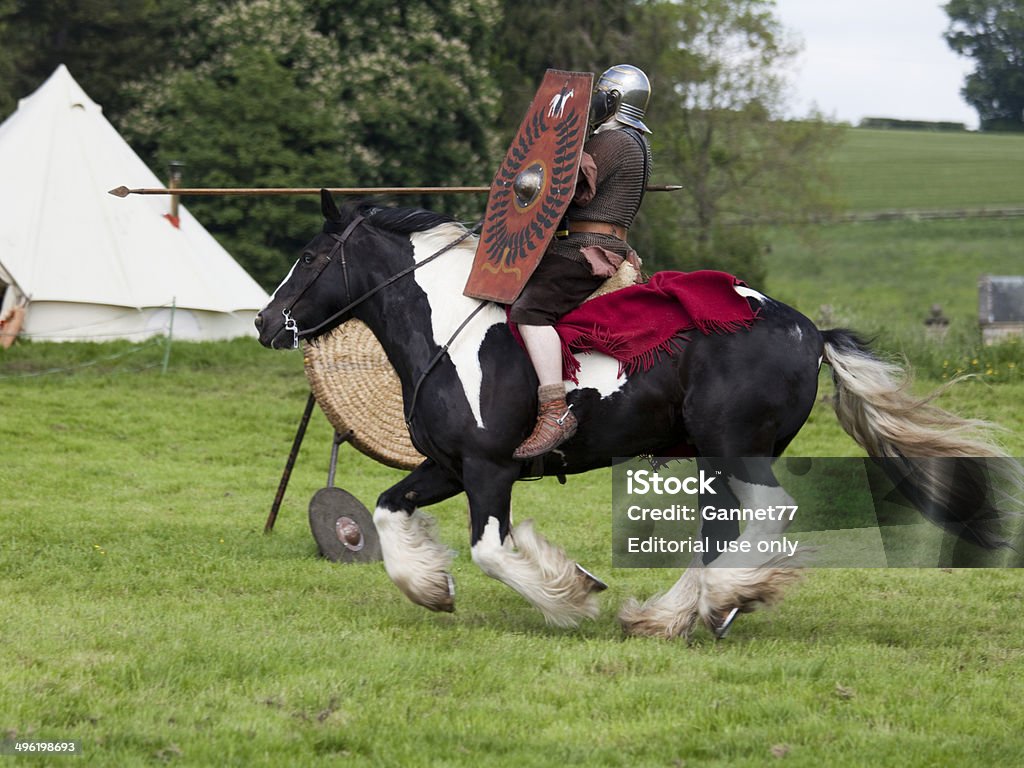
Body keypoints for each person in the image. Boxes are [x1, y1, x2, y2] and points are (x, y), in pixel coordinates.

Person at [511, 64, 653, 460]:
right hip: (598, 244)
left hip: (586, 250)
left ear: (613, 100)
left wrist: (526, 185)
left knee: (530, 311)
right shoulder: (636, 140)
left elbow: (569, 191)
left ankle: (555, 411)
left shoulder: (613, 141)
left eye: (602, 96)